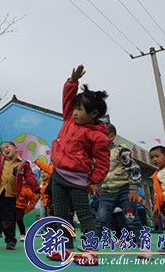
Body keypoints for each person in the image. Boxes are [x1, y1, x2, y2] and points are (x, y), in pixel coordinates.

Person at [48, 65, 110, 265]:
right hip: (58, 176)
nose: (74, 112)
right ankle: (64, 248)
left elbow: (102, 163)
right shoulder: (68, 119)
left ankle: (91, 253)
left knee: (84, 215)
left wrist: (93, 180)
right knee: (60, 213)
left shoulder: (97, 136)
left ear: (94, 114)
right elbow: (67, 98)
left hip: (78, 181)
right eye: (74, 108)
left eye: (80, 110)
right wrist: (72, 81)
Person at [94, 123, 149, 258]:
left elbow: (134, 169)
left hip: (126, 192)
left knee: (131, 219)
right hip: (107, 193)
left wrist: (133, 188)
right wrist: (96, 186)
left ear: (111, 136)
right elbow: (98, 173)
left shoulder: (120, 151)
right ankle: (91, 248)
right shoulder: (97, 155)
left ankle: (145, 248)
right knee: (100, 220)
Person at [149, 146, 165, 233]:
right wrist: (156, 206)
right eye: (151, 158)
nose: (154, 159)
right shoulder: (156, 175)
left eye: (157, 156)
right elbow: (156, 193)